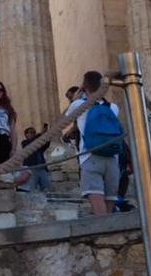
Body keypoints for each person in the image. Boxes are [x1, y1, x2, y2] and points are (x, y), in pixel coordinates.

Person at [65, 70, 122, 216]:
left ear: (85, 87)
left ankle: (105, 230)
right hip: (112, 158)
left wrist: (76, 96)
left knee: (99, 210)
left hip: (90, 156)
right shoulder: (113, 107)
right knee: (109, 207)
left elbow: (67, 117)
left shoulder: (79, 105)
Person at [19, 126, 51, 193]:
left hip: (42, 168)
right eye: (31, 132)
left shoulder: (38, 145)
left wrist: (46, 135)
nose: (33, 134)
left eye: (34, 132)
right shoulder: (25, 143)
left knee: (47, 189)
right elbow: (32, 142)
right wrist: (40, 134)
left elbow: (46, 145)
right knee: (31, 190)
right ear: (26, 134)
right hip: (31, 169)